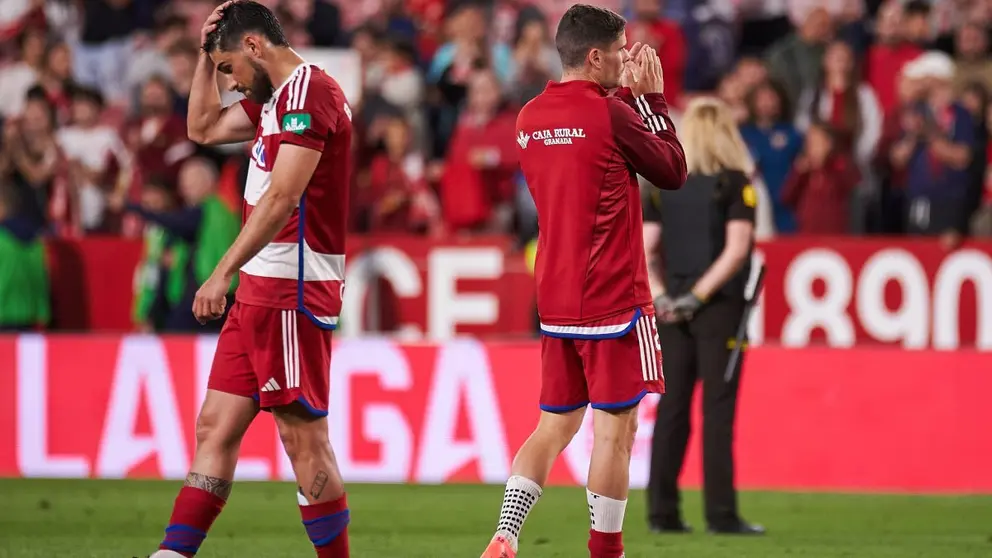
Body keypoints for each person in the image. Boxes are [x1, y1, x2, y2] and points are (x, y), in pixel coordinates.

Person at [480, 5, 687, 558]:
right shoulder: (612, 114)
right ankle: (606, 551)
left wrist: (626, 101)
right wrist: (652, 102)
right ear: (595, 56)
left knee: (553, 426)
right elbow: (672, 171)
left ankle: (506, 533)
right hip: (615, 297)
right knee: (615, 432)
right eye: (620, 50)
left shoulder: (529, 117)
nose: (626, 59)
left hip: (556, 298)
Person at [149, 1, 353, 557]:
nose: (231, 82)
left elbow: (283, 197)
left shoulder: (309, 94)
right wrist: (204, 56)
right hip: (259, 290)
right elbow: (202, 127)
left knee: (302, 438)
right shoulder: (274, 100)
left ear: (255, 47)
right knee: (214, 427)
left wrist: (221, 272)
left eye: (229, 69)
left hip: (291, 288)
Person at [643, 97, 762, 536]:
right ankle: (721, 514)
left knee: (672, 409)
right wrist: (699, 295)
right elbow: (736, 250)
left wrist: (663, 297)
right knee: (717, 410)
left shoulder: (664, 186)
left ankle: (662, 513)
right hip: (719, 309)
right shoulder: (736, 184)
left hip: (671, 310)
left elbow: (643, 249)